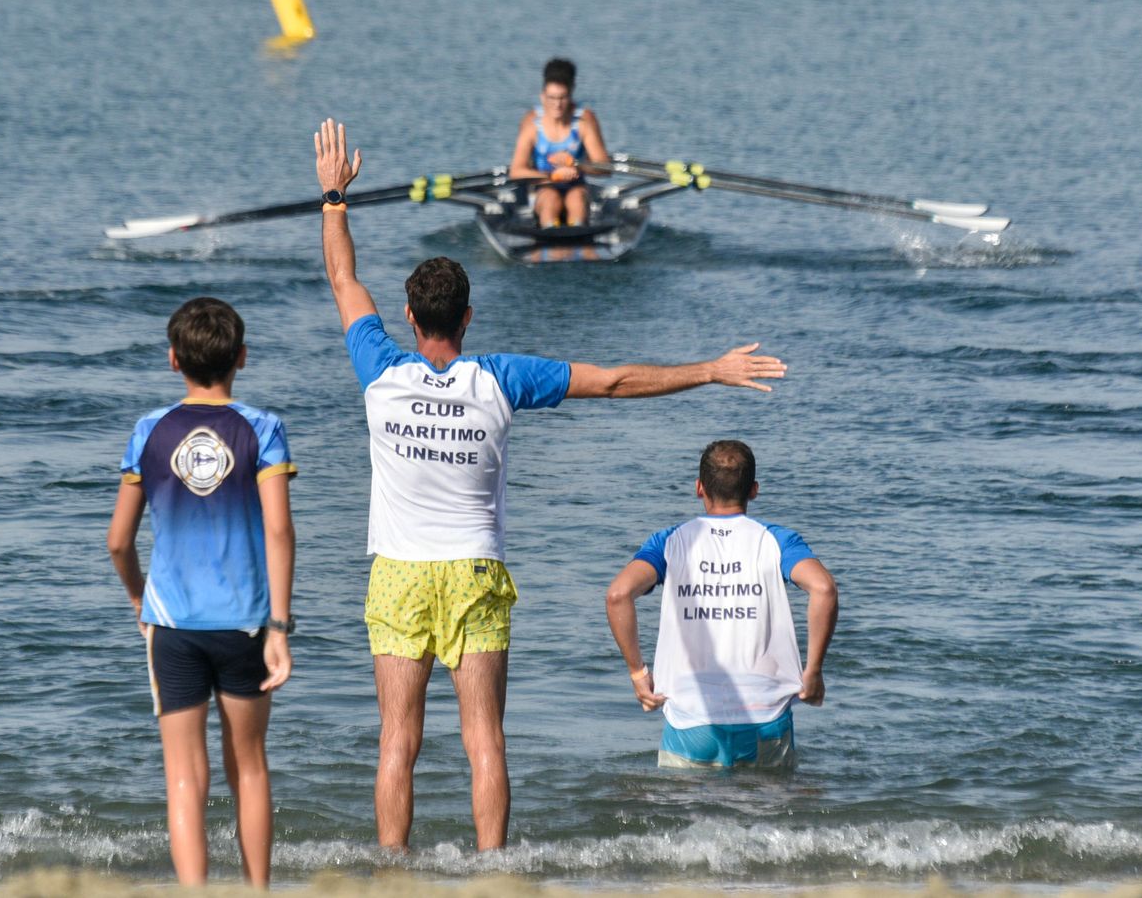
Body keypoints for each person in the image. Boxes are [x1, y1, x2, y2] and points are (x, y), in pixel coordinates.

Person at [313, 118, 787, 850]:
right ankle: (494, 872)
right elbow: (616, 381)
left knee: (396, 742)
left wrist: (335, 198)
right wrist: (710, 370)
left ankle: (390, 874)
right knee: (484, 742)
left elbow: (344, 279)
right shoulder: (499, 378)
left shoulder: (380, 370)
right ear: (468, 318)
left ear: (408, 318)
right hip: (473, 573)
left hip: (398, 578)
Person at [106, 296, 297, 887]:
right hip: (244, 621)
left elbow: (117, 540)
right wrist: (280, 627)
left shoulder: (149, 432)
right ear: (241, 357)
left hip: (174, 625)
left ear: (172, 360)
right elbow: (278, 530)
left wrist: (141, 600)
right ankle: (258, 890)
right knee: (250, 767)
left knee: (185, 777)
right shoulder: (262, 428)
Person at [605, 440, 838, 769]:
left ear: (699, 488)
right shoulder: (777, 540)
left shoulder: (670, 541)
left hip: (692, 718)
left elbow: (618, 595)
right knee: (773, 815)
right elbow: (824, 589)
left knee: (684, 817)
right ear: (754, 490)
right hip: (765, 716)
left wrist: (638, 673)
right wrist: (812, 672)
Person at [507, 57, 610, 227]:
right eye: (551, 98)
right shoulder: (532, 124)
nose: (557, 105)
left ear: (570, 95)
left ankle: (577, 233)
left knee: (576, 199)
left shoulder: (583, 123)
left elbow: (605, 167)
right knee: (550, 199)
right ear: (542, 97)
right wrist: (552, 176)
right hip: (543, 188)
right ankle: (549, 233)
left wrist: (576, 165)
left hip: (576, 188)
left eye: (562, 98)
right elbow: (516, 171)